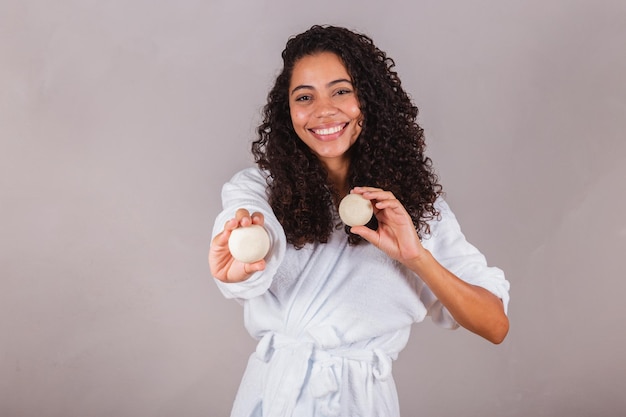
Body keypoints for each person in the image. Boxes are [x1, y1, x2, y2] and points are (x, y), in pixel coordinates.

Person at [209, 25, 510, 417]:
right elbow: (251, 227)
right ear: (288, 112)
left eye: (341, 90)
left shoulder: (413, 207)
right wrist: (245, 260)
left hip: (360, 403)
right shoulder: (260, 190)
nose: (323, 110)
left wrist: (415, 255)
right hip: (272, 398)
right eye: (304, 97)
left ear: (369, 100)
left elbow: (494, 325)